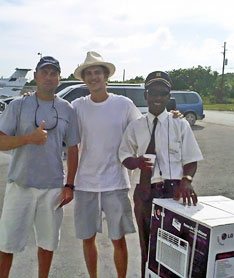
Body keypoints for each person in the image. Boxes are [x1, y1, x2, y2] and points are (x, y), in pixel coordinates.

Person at [0, 56, 80, 278]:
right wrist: (28, 138)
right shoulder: (18, 105)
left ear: (59, 79)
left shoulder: (67, 109)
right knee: (6, 243)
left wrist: (70, 184)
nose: (48, 77)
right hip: (20, 185)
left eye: (53, 73)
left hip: (52, 188)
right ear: (36, 76)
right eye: (44, 72)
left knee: (48, 244)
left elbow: (73, 149)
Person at [118, 71, 203, 278]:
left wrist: (187, 180)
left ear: (168, 97)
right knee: (147, 247)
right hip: (145, 193)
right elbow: (124, 155)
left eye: (162, 93)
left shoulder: (180, 124)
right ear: (146, 95)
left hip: (174, 192)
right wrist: (136, 162)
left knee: (177, 248)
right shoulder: (135, 126)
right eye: (153, 92)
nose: (157, 97)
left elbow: (191, 159)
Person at [71, 51, 140, 278]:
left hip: (116, 183)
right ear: (84, 79)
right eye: (88, 73)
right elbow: (52, 110)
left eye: (97, 73)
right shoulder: (77, 106)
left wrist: (172, 117)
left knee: (118, 240)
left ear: (106, 76)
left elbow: (144, 129)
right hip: (84, 184)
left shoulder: (124, 104)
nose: (93, 77)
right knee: (87, 239)